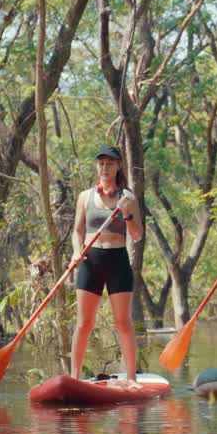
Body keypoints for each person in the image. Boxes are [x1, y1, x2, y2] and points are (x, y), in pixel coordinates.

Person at [71, 145, 144, 389]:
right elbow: (78, 230)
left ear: (118, 166)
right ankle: (74, 378)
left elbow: (137, 235)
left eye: (110, 163)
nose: (105, 167)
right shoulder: (85, 196)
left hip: (117, 261)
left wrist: (127, 215)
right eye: (101, 163)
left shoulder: (128, 197)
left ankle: (131, 378)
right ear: (97, 166)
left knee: (123, 322)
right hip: (90, 261)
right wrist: (75, 252)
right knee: (84, 324)